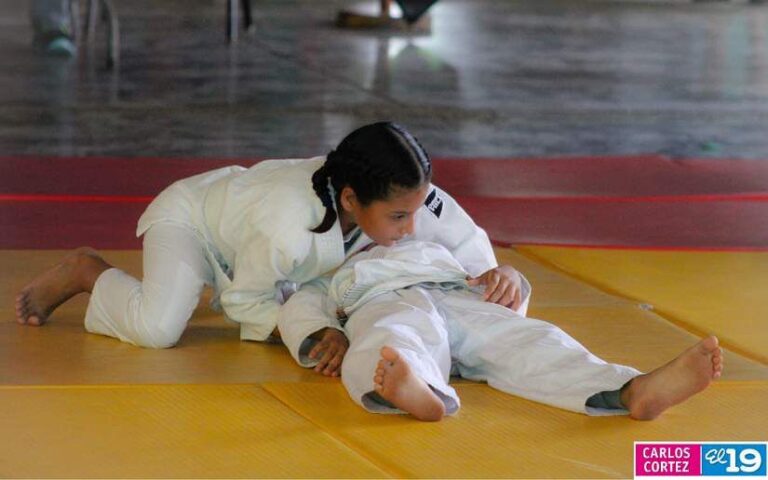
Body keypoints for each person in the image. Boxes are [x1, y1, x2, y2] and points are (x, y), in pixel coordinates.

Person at [15, 122, 524, 359]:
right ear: (350, 199)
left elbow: (462, 240)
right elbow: (246, 299)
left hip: (250, 238)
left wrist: (498, 272)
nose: (411, 227)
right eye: (398, 217)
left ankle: (197, 289)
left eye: (414, 211)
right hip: (194, 224)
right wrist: (312, 334)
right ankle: (86, 271)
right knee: (159, 329)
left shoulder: (404, 194)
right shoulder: (289, 220)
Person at [277, 240, 724, 422]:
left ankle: (628, 389)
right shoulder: (334, 270)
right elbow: (301, 303)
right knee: (392, 337)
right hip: (383, 300)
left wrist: (508, 276)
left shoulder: (438, 246)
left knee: (528, 339)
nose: (395, 232)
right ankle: (415, 388)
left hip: (461, 294)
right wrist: (319, 332)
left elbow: (498, 278)